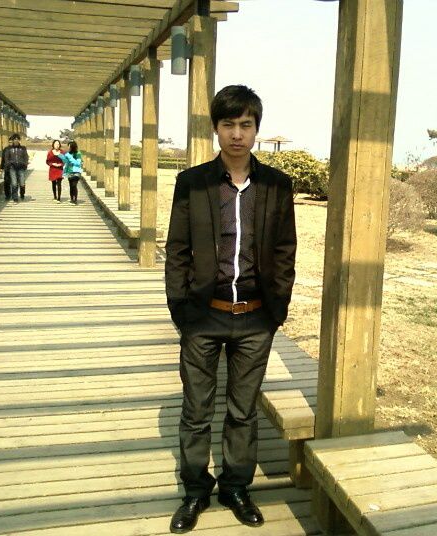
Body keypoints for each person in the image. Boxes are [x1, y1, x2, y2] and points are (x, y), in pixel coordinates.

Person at [165, 85, 296, 533]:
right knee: (196, 410)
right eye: (228, 124)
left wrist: (277, 309)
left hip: (256, 316)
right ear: (216, 129)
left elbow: (284, 249)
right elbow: (177, 251)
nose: (237, 134)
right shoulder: (193, 182)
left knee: (243, 411)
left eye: (245, 125)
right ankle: (195, 491)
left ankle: (236, 487)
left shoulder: (277, 185)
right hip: (204, 315)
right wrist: (182, 311)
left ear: (256, 129)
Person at [2, 133, 29, 202]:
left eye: (17, 139)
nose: (16, 140)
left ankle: (22, 193)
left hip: (21, 167)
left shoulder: (23, 148)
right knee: (14, 183)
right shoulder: (9, 149)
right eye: (14, 139)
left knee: (22, 183)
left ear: (19, 140)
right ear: (12, 140)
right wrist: (9, 165)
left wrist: (25, 164)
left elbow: (26, 157)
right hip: (12, 168)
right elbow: (6, 158)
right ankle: (15, 197)